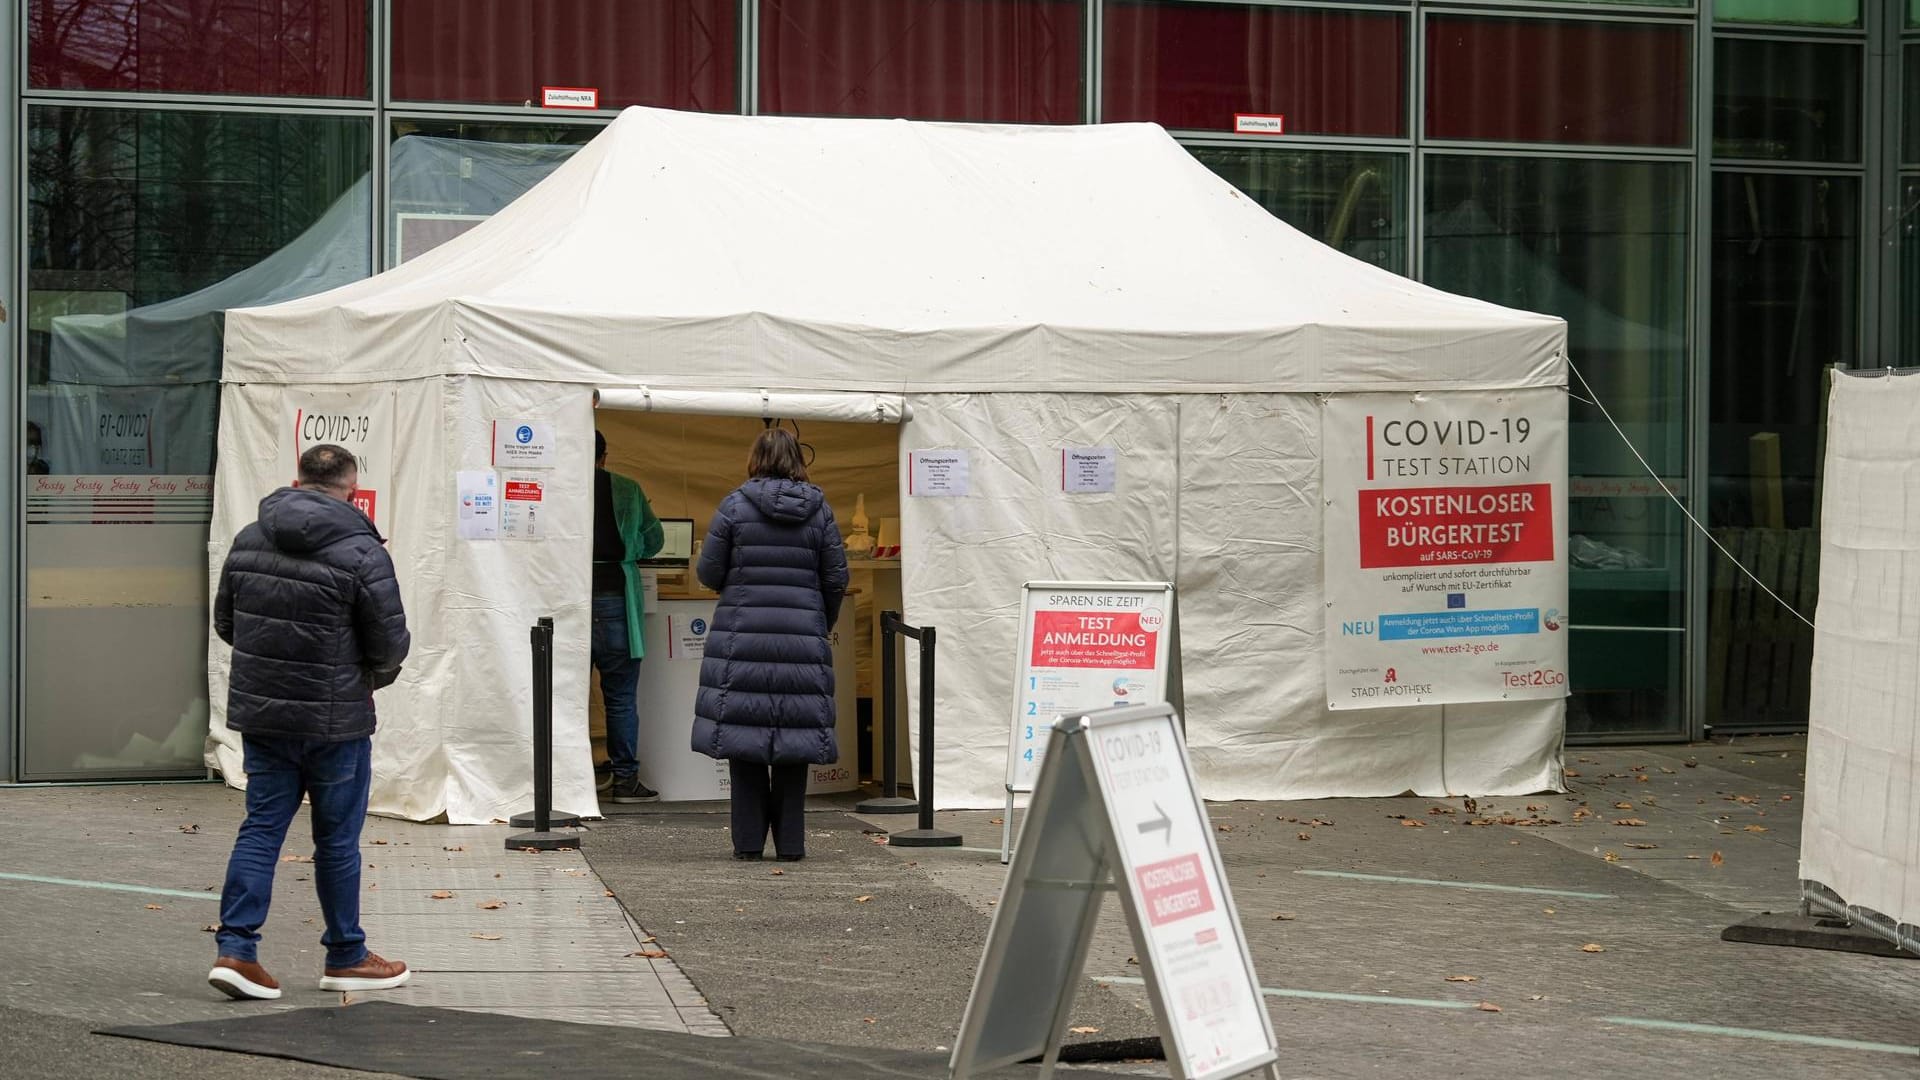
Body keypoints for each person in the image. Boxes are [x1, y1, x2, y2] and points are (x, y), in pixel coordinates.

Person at [207, 444, 412, 1001]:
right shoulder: (362, 552)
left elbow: (227, 622)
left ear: (297, 480)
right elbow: (390, 643)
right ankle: (346, 954)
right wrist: (366, 678)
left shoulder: (251, 537)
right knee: (338, 841)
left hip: (265, 715)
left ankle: (236, 950)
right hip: (336, 720)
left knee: (262, 828)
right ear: (351, 487)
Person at [692, 428, 849, 861]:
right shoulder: (820, 511)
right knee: (794, 747)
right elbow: (836, 578)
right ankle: (791, 847)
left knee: (745, 743)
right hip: (802, 642)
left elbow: (708, 573)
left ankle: (746, 846)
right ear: (800, 460)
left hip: (741, 642)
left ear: (755, 459)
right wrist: (819, 622)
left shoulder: (734, 506)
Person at [594, 430, 665, 803]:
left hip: (568, 603)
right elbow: (654, 541)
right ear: (604, 457)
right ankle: (624, 781)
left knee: (559, 694)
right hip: (617, 602)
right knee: (620, 698)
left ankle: (560, 779)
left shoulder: (557, 490)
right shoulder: (627, 489)